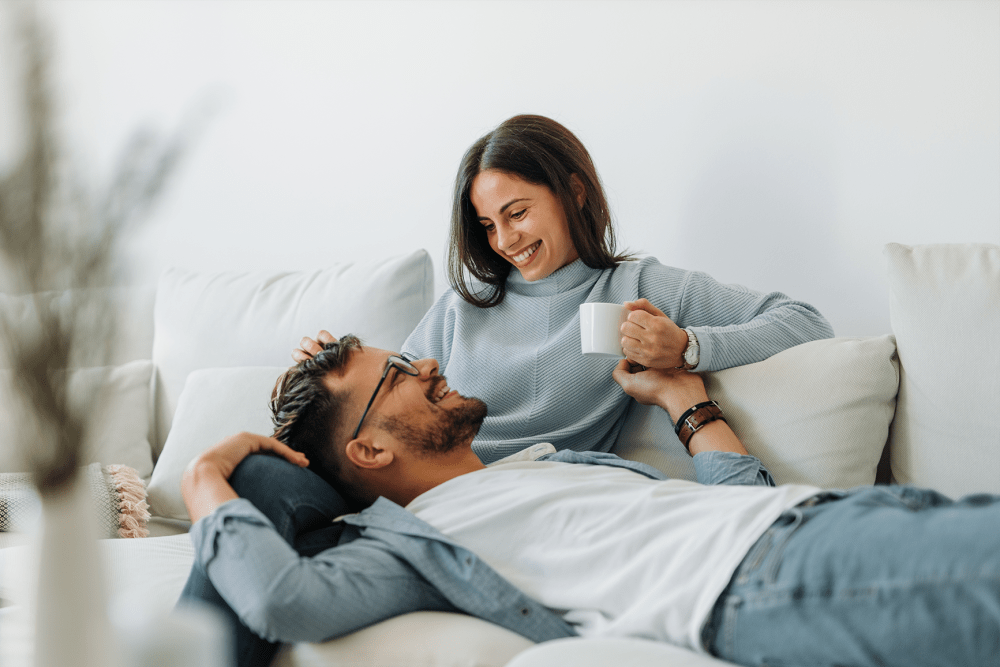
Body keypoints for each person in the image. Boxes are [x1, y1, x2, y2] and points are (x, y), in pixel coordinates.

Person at [182, 335, 999, 667]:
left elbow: (738, 497)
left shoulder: (548, 464)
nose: (426, 362)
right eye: (396, 374)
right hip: (766, 580)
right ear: (368, 450)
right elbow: (283, 600)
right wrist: (204, 479)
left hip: (824, 518)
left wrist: (684, 400)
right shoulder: (405, 544)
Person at [294, 114, 834, 463]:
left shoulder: (634, 288)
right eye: (487, 225)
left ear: (573, 192)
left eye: (517, 213)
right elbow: (387, 405)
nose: (504, 240)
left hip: (532, 496)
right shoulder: (463, 307)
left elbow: (807, 322)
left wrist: (688, 349)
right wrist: (327, 379)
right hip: (430, 489)